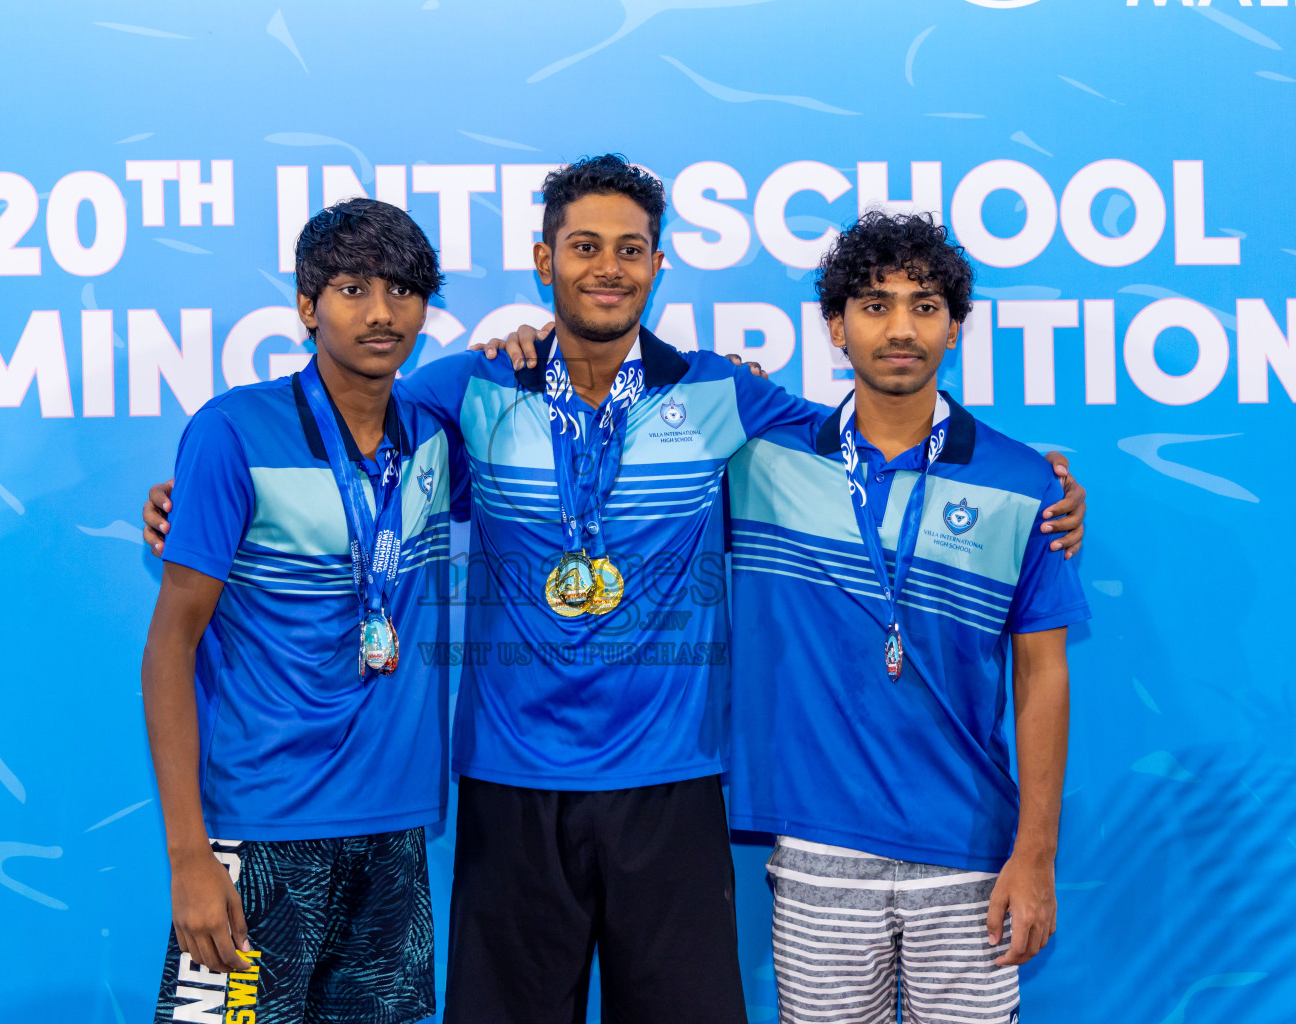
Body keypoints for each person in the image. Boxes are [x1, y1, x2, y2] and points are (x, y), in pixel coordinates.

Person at [143, 156, 1087, 1023]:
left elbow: (869, 441)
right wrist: (184, 509)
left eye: (630, 249)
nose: (608, 267)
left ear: (658, 265)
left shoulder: (724, 394)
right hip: (510, 789)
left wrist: (1039, 483)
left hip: (671, 786)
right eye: (585, 246)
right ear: (543, 257)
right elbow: (351, 440)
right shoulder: (469, 388)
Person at [725, 212, 1090, 1023]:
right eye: (875, 304)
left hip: (970, 857)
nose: (900, 328)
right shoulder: (762, 458)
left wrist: (1036, 854)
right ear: (836, 326)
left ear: (955, 327)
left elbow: (1042, 674)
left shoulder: (1024, 481)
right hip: (819, 849)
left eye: (925, 306)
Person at [141, 198, 461, 1024]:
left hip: (393, 833)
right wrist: (188, 856)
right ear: (307, 307)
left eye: (402, 291)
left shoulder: (434, 437)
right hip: (261, 829)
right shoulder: (231, 433)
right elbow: (170, 646)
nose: (381, 313)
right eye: (353, 289)